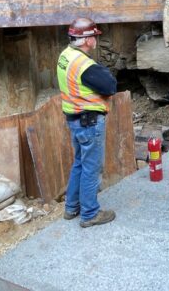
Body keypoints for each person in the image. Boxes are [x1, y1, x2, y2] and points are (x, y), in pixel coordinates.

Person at [57, 17, 117, 228]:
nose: (95, 40)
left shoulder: (65, 55)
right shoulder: (84, 65)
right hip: (89, 122)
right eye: (93, 36)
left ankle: (71, 207)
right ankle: (90, 213)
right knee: (91, 167)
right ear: (85, 40)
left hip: (74, 120)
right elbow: (110, 86)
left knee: (80, 163)